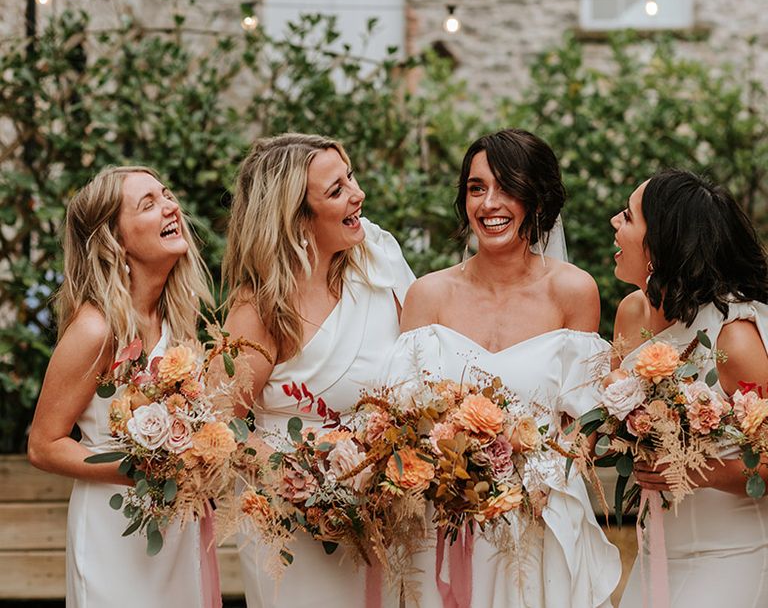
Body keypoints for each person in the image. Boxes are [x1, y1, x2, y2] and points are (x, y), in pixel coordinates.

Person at [386, 128, 621, 607]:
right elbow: (400, 417)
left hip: (538, 523)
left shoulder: (573, 292)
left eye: (507, 187)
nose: (489, 203)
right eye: (476, 188)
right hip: (444, 522)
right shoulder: (428, 295)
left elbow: (586, 421)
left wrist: (534, 475)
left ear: (536, 199)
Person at [222, 133, 414, 608]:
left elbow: (423, 362)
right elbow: (219, 424)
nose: (357, 194)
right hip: (294, 530)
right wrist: (304, 480)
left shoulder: (378, 254)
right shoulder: (260, 309)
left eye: (350, 177)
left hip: (392, 511)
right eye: (336, 190)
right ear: (296, 218)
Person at [27, 166, 216, 607]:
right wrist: (146, 470)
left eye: (166, 195)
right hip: (115, 534)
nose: (171, 207)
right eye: (148, 204)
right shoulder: (95, 330)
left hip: (174, 531)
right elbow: (44, 444)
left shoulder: (178, 321)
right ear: (116, 240)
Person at [612, 169, 768, 607]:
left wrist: (701, 471)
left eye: (627, 216)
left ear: (661, 244)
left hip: (732, 555)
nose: (614, 223)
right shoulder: (632, 313)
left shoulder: (733, 339)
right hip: (655, 554)